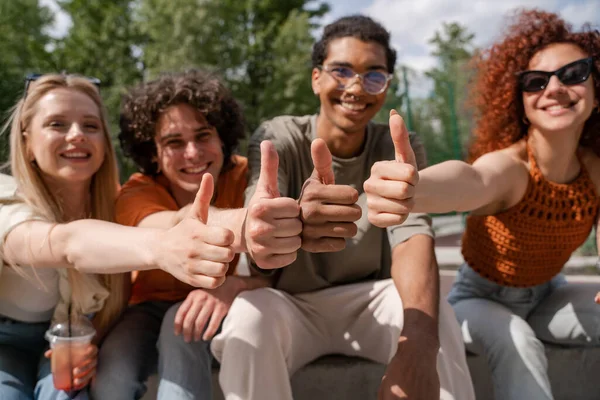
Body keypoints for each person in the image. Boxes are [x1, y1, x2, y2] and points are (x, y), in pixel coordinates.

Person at [211, 15, 475, 400]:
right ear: (316, 78)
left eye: (373, 75)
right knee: (249, 317)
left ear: (386, 86)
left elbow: (413, 237)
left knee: (436, 321)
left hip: (371, 297)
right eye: (342, 71)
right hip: (291, 302)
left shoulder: (397, 146)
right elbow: (261, 211)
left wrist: (418, 347)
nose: (356, 87)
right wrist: (287, 219)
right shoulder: (278, 136)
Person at [364, 9, 600, 400]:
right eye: (536, 81)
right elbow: (472, 180)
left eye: (574, 74)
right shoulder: (512, 168)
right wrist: (414, 187)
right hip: (478, 300)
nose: (554, 87)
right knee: (518, 341)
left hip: (549, 296)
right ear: (519, 101)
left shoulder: (593, 169)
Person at [0, 74, 237, 400]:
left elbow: (116, 299)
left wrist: (92, 342)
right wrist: (163, 247)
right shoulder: (6, 197)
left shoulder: (114, 203)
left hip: (74, 340)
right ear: (27, 141)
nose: (76, 136)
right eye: (57, 124)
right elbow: (65, 244)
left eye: (90, 126)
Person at [92, 69, 302, 400]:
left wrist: (237, 285)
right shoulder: (138, 191)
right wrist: (242, 225)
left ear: (222, 139)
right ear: (153, 153)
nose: (192, 153)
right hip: (146, 307)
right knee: (111, 378)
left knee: (182, 326)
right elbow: (167, 225)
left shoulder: (250, 178)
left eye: (203, 136)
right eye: (174, 142)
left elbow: (285, 273)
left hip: (219, 300)